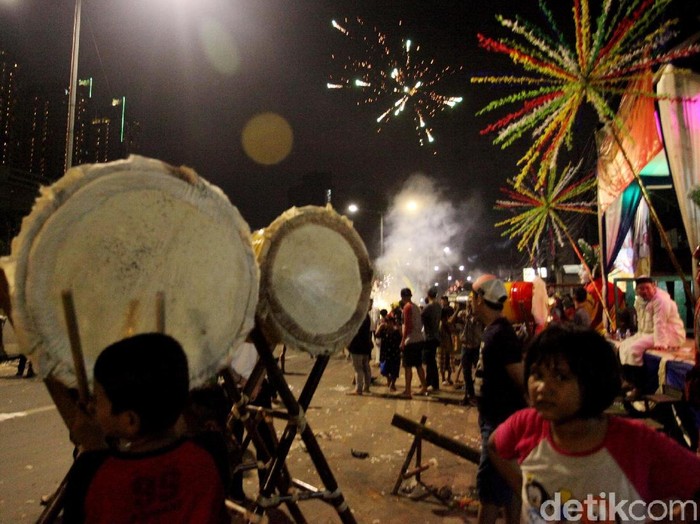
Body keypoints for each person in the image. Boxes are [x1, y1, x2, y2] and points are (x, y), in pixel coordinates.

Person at [488, 324, 700, 524]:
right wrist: (524, 489)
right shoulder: (527, 424)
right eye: (537, 374)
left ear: (593, 381)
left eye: (561, 377)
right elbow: (495, 446)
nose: (543, 387)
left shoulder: (636, 443)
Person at [63, 333, 229, 523]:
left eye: (98, 398)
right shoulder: (208, 454)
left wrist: (93, 445)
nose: (91, 406)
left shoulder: (92, 474)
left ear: (130, 421)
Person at [471, 274, 525, 524]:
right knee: (509, 485)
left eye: (473, 297)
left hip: (500, 423)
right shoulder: (494, 332)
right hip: (496, 419)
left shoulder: (499, 335)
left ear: (480, 299)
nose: (472, 302)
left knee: (490, 491)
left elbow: (520, 377)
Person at [618, 276, 686, 399]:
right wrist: (638, 335)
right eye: (641, 289)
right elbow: (641, 320)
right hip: (647, 333)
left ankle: (639, 387)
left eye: (647, 288)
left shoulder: (661, 300)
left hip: (667, 334)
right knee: (623, 346)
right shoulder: (639, 300)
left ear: (653, 286)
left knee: (634, 349)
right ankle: (628, 380)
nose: (644, 291)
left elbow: (660, 324)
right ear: (636, 290)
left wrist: (660, 343)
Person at [398, 287, 427, 399]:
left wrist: (403, 341)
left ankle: (408, 391)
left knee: (408, 367)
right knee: (419, 365)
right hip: (419, 339)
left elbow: (408, 326)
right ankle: (424, 387)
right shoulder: (415, 307)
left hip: (411, 341)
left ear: (402, 297)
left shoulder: (407, 307)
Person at [347, 306, 373, 395]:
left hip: (356, 345)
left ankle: (358, 389)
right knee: (366, 367)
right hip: (366, 345)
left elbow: (352, 332)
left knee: (358, 368)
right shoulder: (367, 316)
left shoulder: (356, 318)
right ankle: (367, 387)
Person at [421, 287, 442, 391]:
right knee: (431, 361)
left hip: (429, 337)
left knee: (430, 362)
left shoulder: (428, 307)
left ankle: (434, 384)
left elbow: (421, 318)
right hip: (436, 336)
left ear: (428, 295)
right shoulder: (439, 306)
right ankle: (428, 382)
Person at [376, 312, 402, 391]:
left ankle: (392, 384)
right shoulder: (384, 331)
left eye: (390, 322)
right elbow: (377, 335)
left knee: (394, 370)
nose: (388, 324)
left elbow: (401, 337)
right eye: (387, 322)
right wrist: (380, 326)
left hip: (394, 354)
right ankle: (390, 381)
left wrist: (399, 328)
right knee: (384, 369)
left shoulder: (396, 331)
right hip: (385, 353)